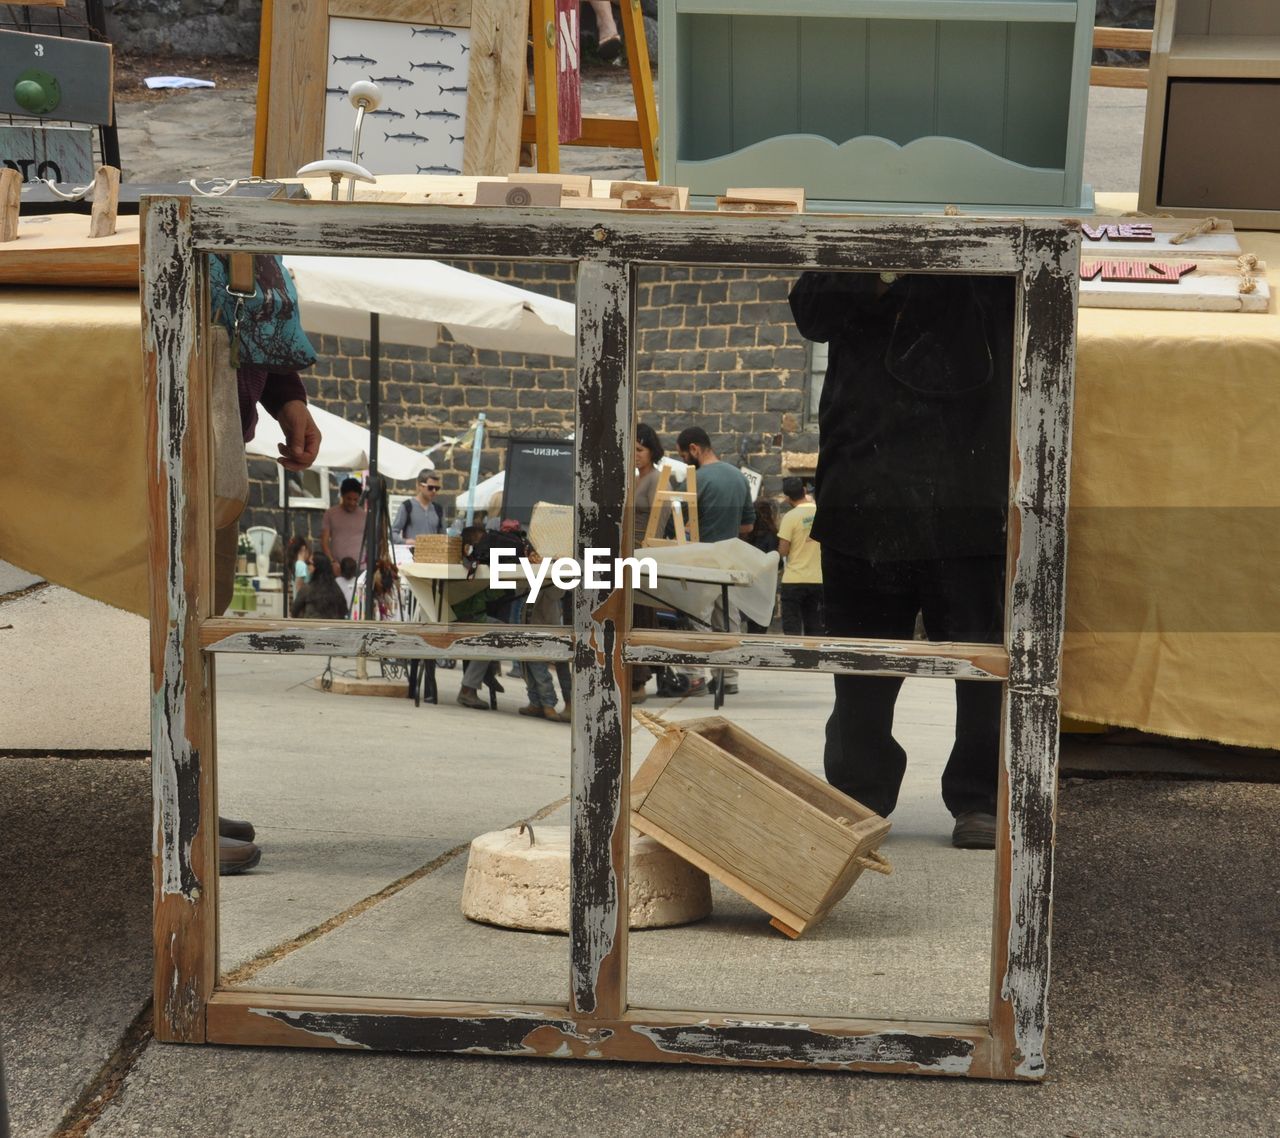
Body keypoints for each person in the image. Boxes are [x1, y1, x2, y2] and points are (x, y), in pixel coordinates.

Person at [789, 270, 1013, 851]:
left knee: (984, 661)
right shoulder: (865, 232)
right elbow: (811, 310)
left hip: (970, 485)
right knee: (862, 661)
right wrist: (880, 270)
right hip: (868, 485)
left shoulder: (997, 238)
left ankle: (981, 796)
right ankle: (860, 791)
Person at [210, 253, 323, 876]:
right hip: (182, 423)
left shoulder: (250, 222)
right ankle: (170, 801)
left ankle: (186, 788)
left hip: (226, 428)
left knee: (207, 609)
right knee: (178, 620)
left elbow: (256, 311)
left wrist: (288, 398)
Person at [675, 426, 755, 696]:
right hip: (730, 557)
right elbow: (747, 527)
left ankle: (695, 677)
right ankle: (729, 676)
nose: (685, 460)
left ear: (694, 449)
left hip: (700, 558)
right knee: (729, 618)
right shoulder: (739, 478)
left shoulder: (695, 479)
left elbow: (681, 524)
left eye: (684, 454)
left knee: (699, 616)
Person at [630, 423, 664, 702]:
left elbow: (660, 519)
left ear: (651, 451)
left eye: (640, 450)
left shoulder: (655, 479)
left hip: (642, 551)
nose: (635, 454)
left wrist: (647, 550)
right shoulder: (634, 478)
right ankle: (631, 677)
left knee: (640, 614)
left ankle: (639, 681)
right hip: (627, 551)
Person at [776, 477, 824, 637]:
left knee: (792, 631)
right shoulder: (820, 513)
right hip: (818, 580)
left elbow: (783, 550)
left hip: (794, 580)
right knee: (816, 629)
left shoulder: (789, 517)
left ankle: (795, 660)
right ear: (804, 491)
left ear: (788, 498)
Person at [744, 497, 780, 633]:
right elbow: (777, 562)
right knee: (761, 628)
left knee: (750, 626)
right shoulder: (772, 535)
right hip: (765, 585)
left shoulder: (747, 536)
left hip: (749, 583)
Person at [321, 477, 366, 566]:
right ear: (342, 495)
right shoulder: (330, 514)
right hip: (338, 567)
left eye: (355, 500)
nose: (352, 503)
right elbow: (324, 542)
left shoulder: (364, 516)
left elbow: (372, 542)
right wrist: (332, 562)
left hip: (360, 568)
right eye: (348, 499)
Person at [290, 553, 350, 619]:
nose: (307, 566)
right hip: (334, 628)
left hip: (312, 627)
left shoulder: (307, 589)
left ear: (316, 567)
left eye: (309, 563)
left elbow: (294, 612)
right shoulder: (336, 589)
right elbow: (344, 611)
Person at [393, 469, 445, 545]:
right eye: (430, 487)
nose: (434, 491)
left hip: (433, 555)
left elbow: (444, 537)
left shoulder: (438, 509)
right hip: (412, 555)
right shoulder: (407, 506)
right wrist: (406, 542)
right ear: (420, 486)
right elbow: (392, 533)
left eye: (437, 488)